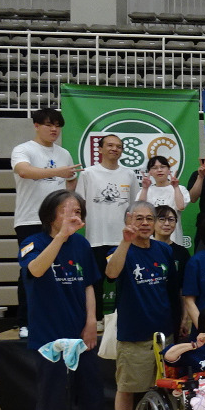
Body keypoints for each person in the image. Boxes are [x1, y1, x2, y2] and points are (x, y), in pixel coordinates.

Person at [21, 190, 125, 410]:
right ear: (51, 215)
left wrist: (92, 322)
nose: (74, 215)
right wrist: (60, 237)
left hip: (81, 338)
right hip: (49, 341)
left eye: (78, 210)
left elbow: (89, 285)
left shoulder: (81, 245)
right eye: (67, 210)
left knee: (92, 398)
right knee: (53, 404)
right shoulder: (33, 243)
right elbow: (36, 269)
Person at [104, 201, 173, 410]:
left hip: (164, 334)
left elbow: (171, 289)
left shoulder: (164, 250)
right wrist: (125, 242)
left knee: (165, 387)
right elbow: (111, 273)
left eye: (149, 218)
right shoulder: (118, 251)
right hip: (133, 334)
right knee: (127, 388)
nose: (144, 223)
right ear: (128, 221)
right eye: (138, 218)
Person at [12, 108, 77, 338]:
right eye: (49, 124)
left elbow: (71, 182)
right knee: (30, 270)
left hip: (58, 223)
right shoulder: (23, 149)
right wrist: (58, 171)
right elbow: (24, 171)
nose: (54, 129)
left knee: (61, 270)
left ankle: (57, 317)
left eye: (57, 125)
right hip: (30, 220)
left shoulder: (64, 153)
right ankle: (25, 322)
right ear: (37, 125)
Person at [75, 134, 139, 323]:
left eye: (118, 146)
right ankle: (96, 319)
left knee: (123, 281)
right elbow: (79, 204)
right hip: (96, 238)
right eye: (110, 145)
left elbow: (134, 206)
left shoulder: (129, 174)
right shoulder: (88, 174)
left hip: (122, 240)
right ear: (100, 149)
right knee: (95, 281)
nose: (114, 149)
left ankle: (122, 318)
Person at [155, 205, 191, 337]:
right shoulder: (145, 250)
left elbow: (184, 289)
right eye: (162, 219)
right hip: (149, 311)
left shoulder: (182, 253)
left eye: (171, 219)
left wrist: (184, 317)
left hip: (173, 312)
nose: (167, 223)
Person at [138, 156, 190, 247]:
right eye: (154, 168)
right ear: (150, 172)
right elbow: (140, 210)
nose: (159, 170)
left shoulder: (180, 189)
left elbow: (180, 206)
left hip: (174, 238)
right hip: (150, 239)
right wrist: (145, 188)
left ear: (169, 170)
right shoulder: (146, 190)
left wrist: (176, 187)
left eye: (162, 167)